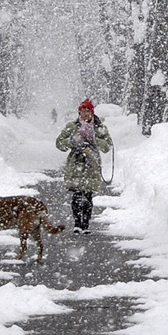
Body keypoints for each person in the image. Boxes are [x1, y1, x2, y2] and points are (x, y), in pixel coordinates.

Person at [55, 98, 113, 234]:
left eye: (88, 111)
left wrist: (94, 140)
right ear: (79, 113)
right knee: (76, 195)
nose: (86, 114)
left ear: (92, 113)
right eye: (83, 111)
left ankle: (85, 224)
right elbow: (59, 143)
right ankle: (77, 223)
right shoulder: (72, 127)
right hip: (75, 164)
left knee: (87, 196)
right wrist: (72, 141)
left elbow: (108, 145)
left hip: (92, 166)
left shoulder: (99, 128)